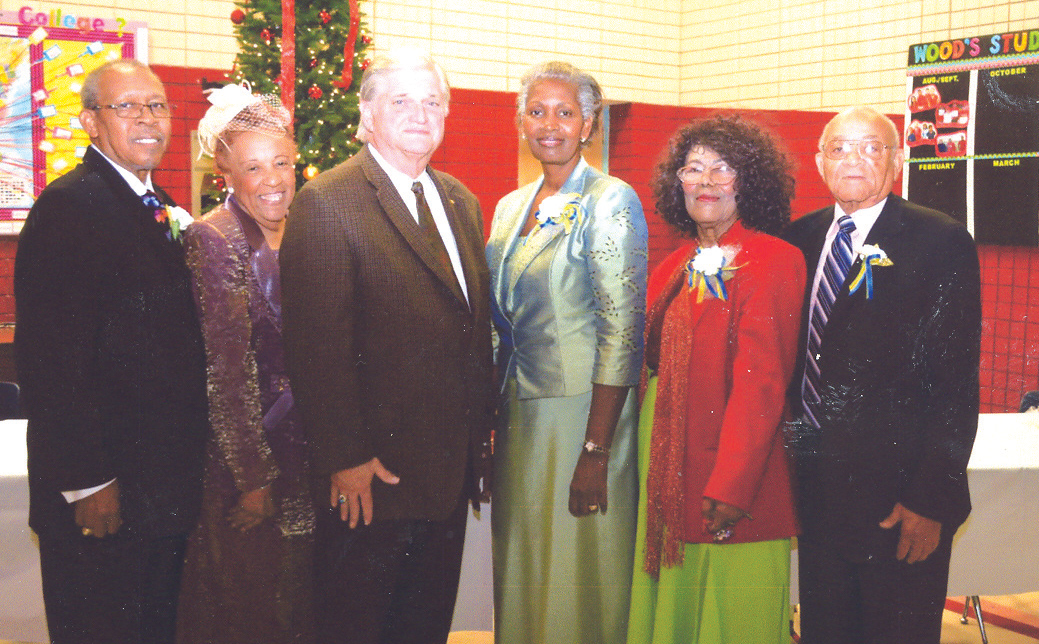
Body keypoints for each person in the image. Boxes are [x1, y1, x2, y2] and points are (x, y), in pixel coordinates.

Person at [279, 48, 493, 644]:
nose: (420, 113)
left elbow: (469, 331)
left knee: (424, 627)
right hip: (372, 479)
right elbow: (317, 348)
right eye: (401, 100)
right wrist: (345, 458)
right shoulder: (328, 201)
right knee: (359, 626)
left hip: (446, 473)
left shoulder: (460, 201)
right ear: (367, 115)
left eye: (433, 102)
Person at [14, 59, 209, 644]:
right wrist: (88, 482)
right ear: (91, 122)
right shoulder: (69, 207)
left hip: (159, 494)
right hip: (105, 497)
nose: (148, 120)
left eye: (157, 106)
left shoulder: (157, 204)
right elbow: (52, 364)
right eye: (127, 107)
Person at [783, 106, 981, 644]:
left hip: (899, 504)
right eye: (841, 148)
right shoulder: (796, 241)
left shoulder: (939, 242)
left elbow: (956, 384)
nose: (855, 159)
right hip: (816, 496)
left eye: (871, 147)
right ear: (820, 161)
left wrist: (930, 499)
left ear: (896, 161)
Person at [627, 115, 804, 644]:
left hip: (732, 483)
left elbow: (763, 386)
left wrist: (732, 485)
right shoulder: (674, 265)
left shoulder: (773, 260)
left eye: (722, 169)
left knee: (732, 619)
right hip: (668, 472)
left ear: (747, 182)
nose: (705, 182)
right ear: (675, 182)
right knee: (677, 616)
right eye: (693, 168)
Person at [486, 61, 647, 644]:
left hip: (584, 416)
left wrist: (597, 450)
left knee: (576, 574)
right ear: (520, 122)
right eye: (536, 110)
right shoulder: (510, 207)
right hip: (521, 415)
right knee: (525, 568)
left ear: (587, 125)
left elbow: (624, 331)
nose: (548, 124)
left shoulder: (610, 199)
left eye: (564, 111)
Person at [174, 83, 314, 644]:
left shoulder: (309, 227)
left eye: (281, 162)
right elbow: (225, 375)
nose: (273, 179)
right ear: (226, 171)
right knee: (246, 606)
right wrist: (252, 480)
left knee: (300, 603)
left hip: (310, 451)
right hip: (248, 459)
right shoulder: (215, 238)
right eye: (254, 168)